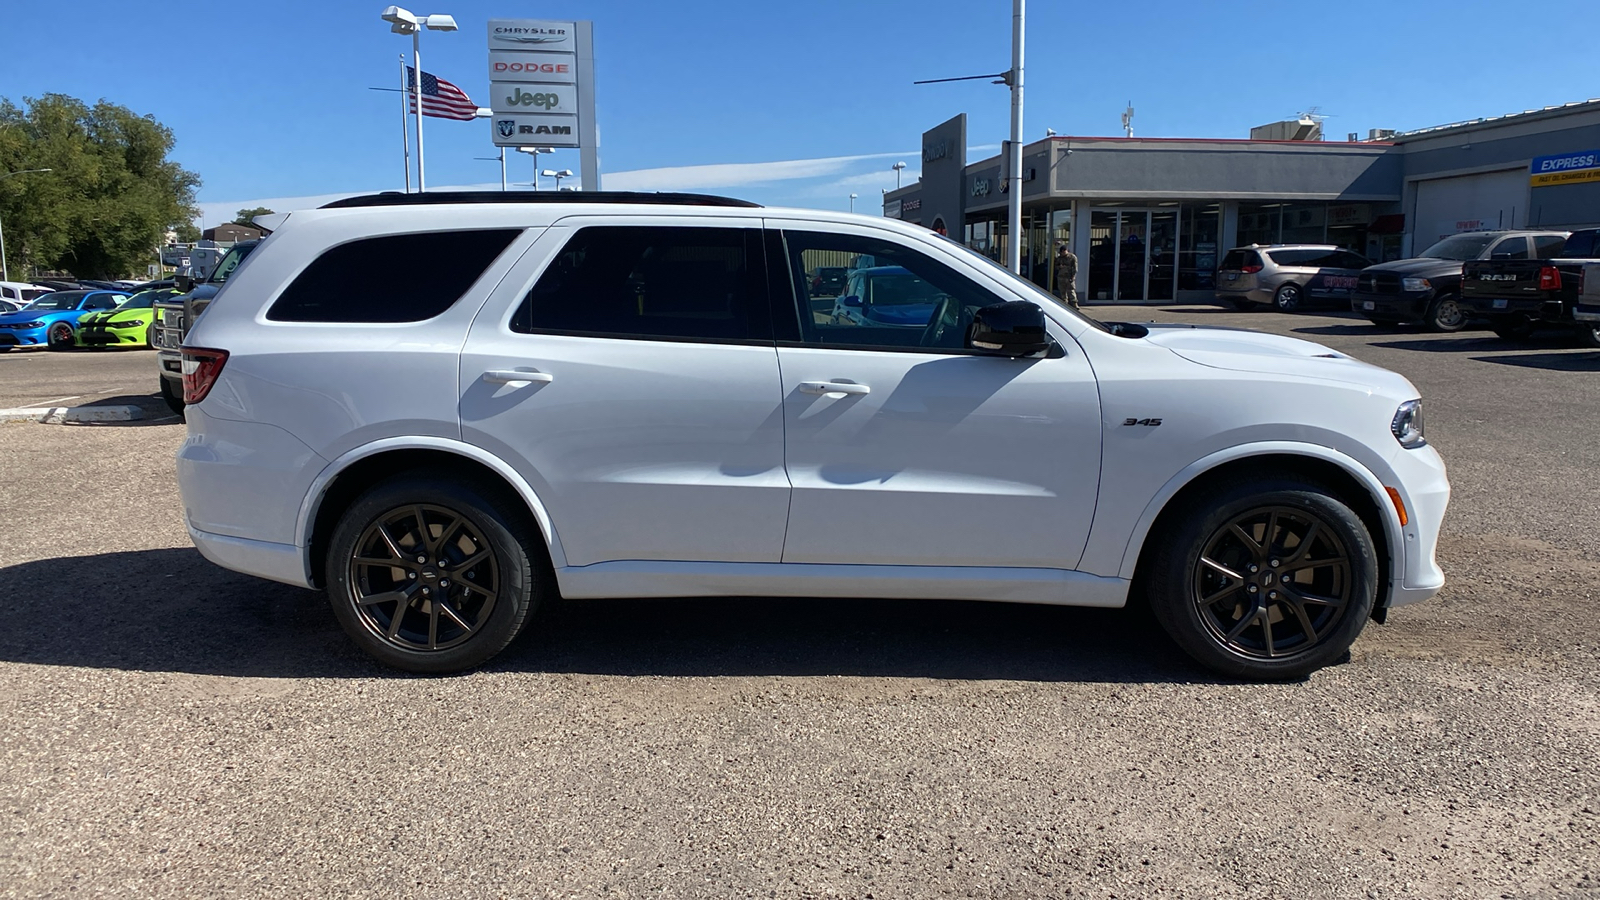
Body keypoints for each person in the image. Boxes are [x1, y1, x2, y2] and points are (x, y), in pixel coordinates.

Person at [1054, 244, 1079, 308]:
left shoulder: (1072, 257)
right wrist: (1059, 267)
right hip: (1061, 277)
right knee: (1062, 292)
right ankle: (1064, 304)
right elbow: (1056, 266)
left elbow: (1075, 267)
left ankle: (1074, 304)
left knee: (1071, 291)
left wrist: (1073, 276)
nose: (1062, 253)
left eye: (1063, 252)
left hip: (1069, 277)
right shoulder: (1059, 258)